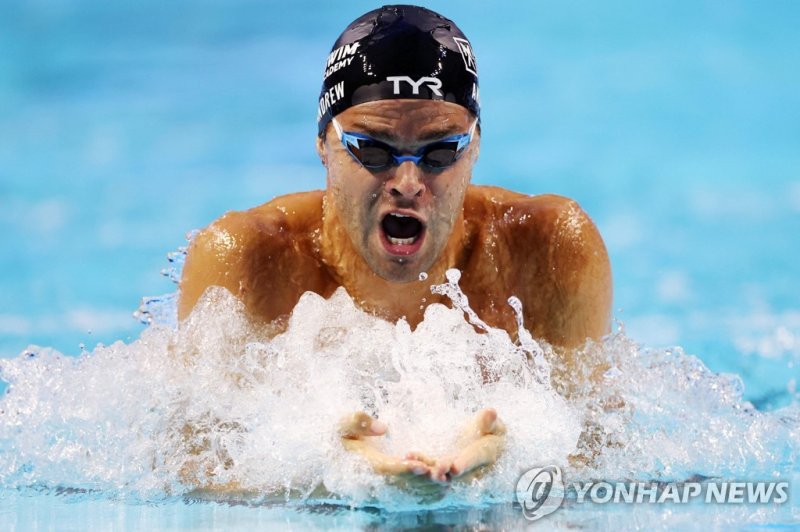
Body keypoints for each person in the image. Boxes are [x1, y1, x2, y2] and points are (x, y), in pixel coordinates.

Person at [178, 5, 612, 486]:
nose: (407, 182)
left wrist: (513, 467)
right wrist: (327, 476)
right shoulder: (246, 260)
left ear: (476, 148)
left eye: (442, 151)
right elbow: (190, 475)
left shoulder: (550, 250)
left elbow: (599, 458)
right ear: (324, 142)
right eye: (374, 149)